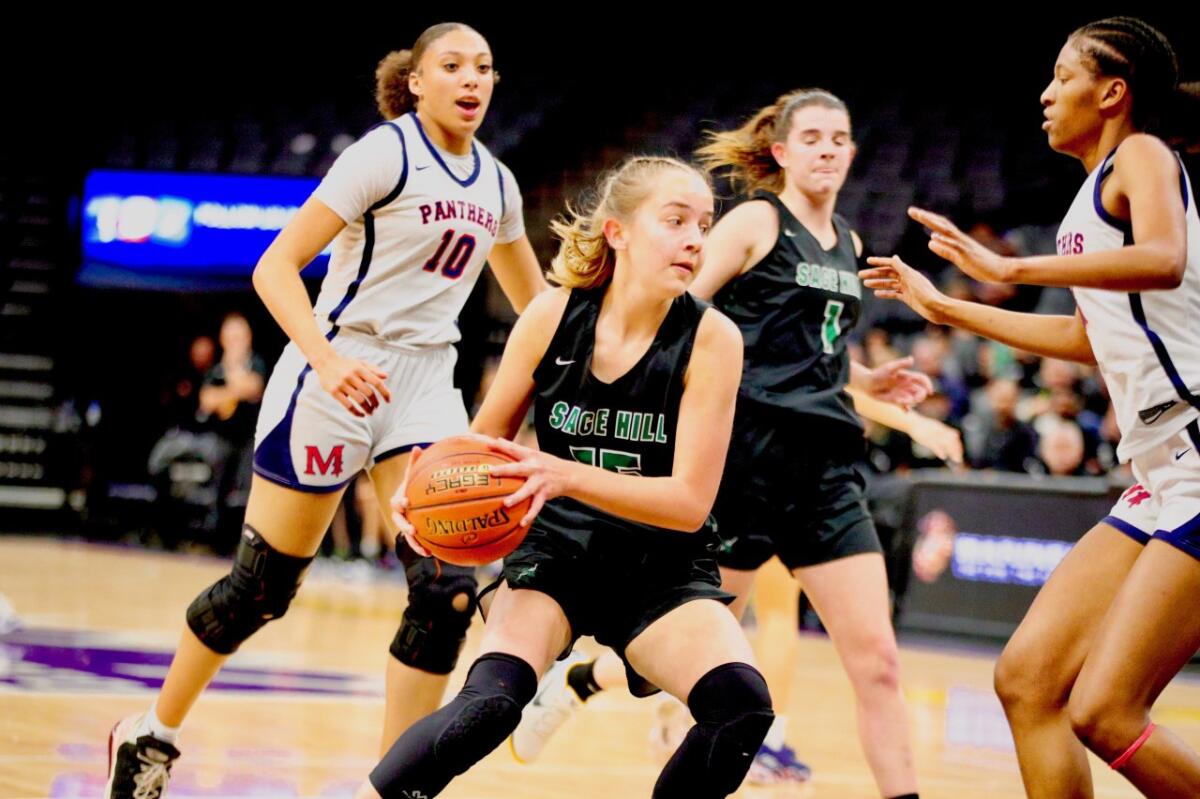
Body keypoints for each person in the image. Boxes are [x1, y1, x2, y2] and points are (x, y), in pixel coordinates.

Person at [104, 22, 545, 799]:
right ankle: (151, 732)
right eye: (452, 66)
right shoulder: (384, 154)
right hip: (336, 366)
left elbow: (535, 310)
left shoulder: (499, 186)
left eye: (484, 67)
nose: (472, 80)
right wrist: (327, 359)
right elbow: (274, 265)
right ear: (416, 81)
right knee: (261, 590)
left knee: (445, 592)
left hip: (425, 386)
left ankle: (395, 784)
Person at [513, 89, 928, 799]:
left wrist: (864, 378)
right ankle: (586, 675)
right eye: (815, 137)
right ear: (782, 151)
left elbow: (808, 347)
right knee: (682, 650)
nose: (829, 149)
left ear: (854, 153)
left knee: (879, 662)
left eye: (840, 138)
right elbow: (676, 316)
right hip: (744, 461)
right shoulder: (755, 223)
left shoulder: (851, 242)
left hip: (827, 472)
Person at [860, 16, 1200, 796]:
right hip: (1158, 470)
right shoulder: (1088, 198)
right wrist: (953, 310)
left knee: (1107, 711)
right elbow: (1087, 336)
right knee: (1027, 680)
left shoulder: (1142, 154)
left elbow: (1165, 257)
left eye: (1061, 76)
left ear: (1113, 92)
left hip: (1195, 448)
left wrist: (1009, 268)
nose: (1044, 95)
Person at [359, 155, 770, 799]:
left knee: (741, 706)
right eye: (676, 220)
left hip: (661, 568)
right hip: (557, 557)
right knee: (488, 707)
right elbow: (481, 443)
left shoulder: (713, 338)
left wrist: (564, 473)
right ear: (618, 232)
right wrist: (427, 484)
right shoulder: (553, 317)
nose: (696, 238)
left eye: (704, 224)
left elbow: (689, 503)